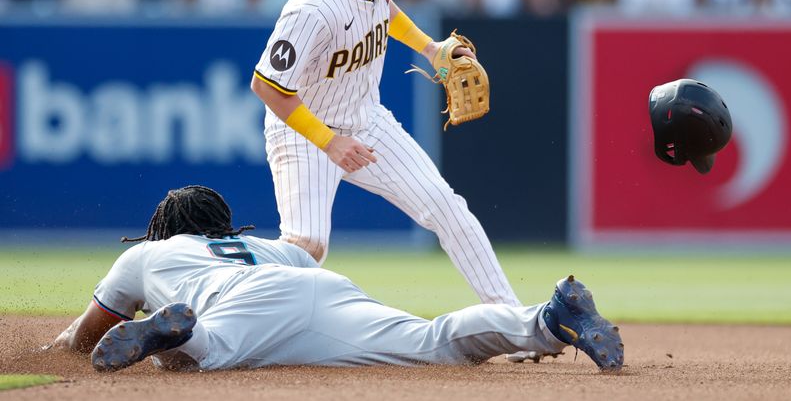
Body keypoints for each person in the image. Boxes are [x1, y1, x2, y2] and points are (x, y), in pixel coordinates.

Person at [249, 0, 534, 358]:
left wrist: (431, 49)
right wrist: (329, 142)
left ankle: (512, 324)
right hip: (305, 133)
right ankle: (223, 299)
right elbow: (268, 87)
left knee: (446, 206)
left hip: (366, 119)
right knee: (306, 248)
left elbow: (387, 11)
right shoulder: (313, 8)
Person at [47, 185, 624, 372]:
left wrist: (58, 348)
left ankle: (171, 333)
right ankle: (548, 320)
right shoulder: (262, 246)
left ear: (163, 229)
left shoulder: (147, 257)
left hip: (236, 308)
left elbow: (86, 335)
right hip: (320, 288)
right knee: (432, 340)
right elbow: (307, 253)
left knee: (204, 352)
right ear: (223, 226)